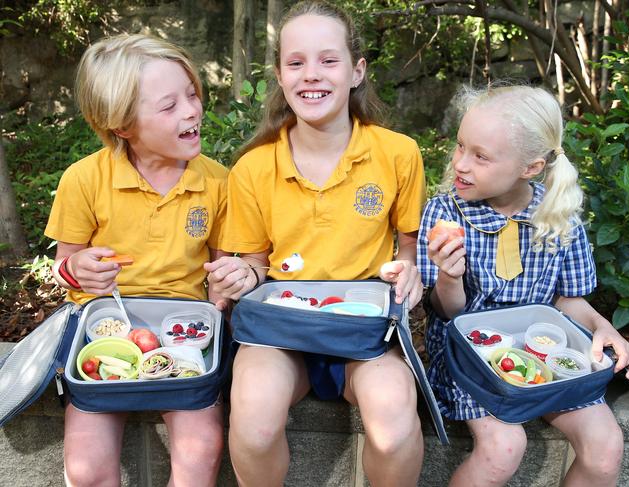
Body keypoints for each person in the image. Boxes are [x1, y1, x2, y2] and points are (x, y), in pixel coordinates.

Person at [204, 1, 426, 485]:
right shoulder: (253, 168)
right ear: (280, 76)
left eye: (328, 60)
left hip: (363, 334)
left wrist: (410, 272)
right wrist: (242, 273)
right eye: (295, 62)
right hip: (279, 332)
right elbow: (255, 263)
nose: (311, 75)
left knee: (393, 428)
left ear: (356, 71)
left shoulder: (398, 154)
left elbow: (408, 249)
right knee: (256, 426)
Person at [417, 84, 629, 487]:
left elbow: (568, 302)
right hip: (471, 358)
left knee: (605, 447)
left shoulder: (559, 216)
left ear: (531, 167)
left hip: (543, 348)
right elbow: (449, 313)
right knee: (504, 448)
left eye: (480, 156)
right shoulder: (445, 212)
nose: (461, 165)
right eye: (460, 146)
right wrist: (449, 276)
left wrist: (602, 327)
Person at [44, 34, 228, 487]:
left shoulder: (220, 183)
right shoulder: (84, 180)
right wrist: (77, 267)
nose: (190, 110)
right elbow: (64, 266)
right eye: (168, 106)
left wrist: (231, 280)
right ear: (122, 126)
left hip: (185, 333)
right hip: (103, 329)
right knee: (86, 469)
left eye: (192, 94)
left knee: (201, 450)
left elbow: (224, 272)